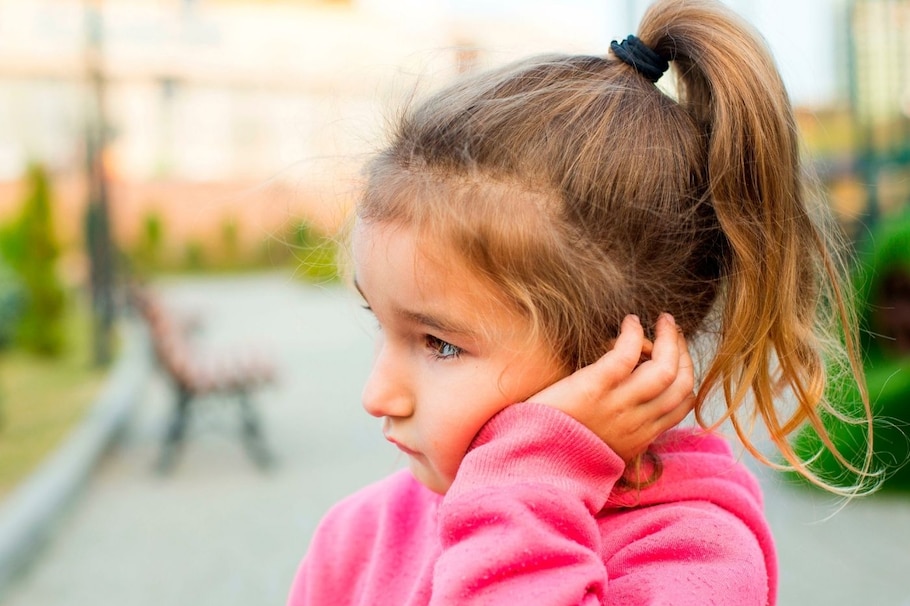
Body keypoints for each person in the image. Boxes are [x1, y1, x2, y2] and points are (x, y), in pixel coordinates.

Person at [287, 0, 875, 604]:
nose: (376, 395)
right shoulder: (358, 535)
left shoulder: (693, 557)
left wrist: (528, 475)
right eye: (379, 323)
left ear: (622, 360)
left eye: (439, 344)